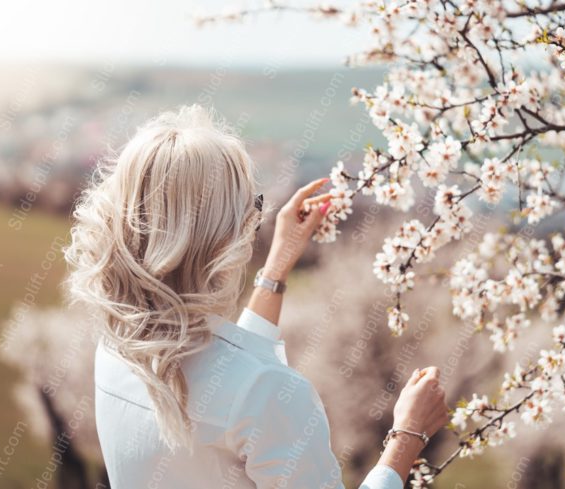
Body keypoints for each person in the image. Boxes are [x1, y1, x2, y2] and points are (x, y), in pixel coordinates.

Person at [64, 105, 450, 488]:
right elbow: (243, 386)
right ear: (219, 236)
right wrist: (408, 435)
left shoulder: (118, 345)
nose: (256, 220)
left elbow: (225, 373)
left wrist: (277, 267)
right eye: (252, 205)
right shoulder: (274, 395)